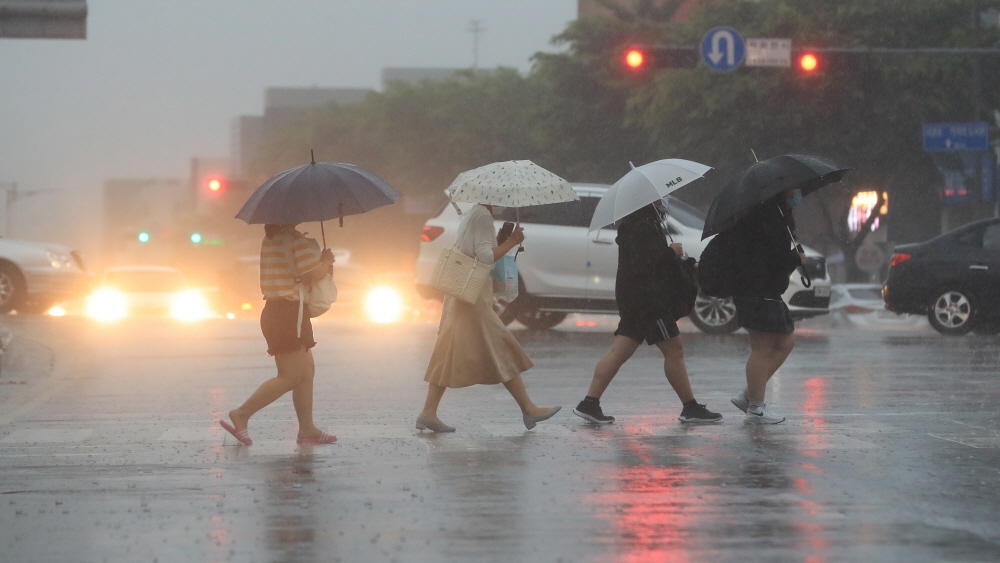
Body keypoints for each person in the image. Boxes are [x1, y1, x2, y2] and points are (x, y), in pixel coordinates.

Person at [573, 199, 722, 425]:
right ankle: (690, 407)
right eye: (661, 199)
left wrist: (685, 262)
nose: (665, 203)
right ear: (649, 201)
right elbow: (648, 265)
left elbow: (653, 263)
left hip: (636, 299)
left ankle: (590, 402)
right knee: (674, 349)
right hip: (649, 302)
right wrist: (672, 253)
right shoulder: (641, 227)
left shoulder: (642, 224)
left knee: (619, 352)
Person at [418, 203, 561, 432]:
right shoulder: (483, 215)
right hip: (472, 297)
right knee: (500, 346)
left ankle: (428, 412)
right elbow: (484, 257)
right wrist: (511, 242)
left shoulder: (473, 213)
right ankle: (529, 410)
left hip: (463, 293)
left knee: (449, 350)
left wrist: (499, 240)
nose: (504, 204)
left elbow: (477, 250)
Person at [219, 223, 338, 445]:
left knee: (306, 372)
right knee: (290, 376)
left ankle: (307, 428)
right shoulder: (295, 240)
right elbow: (313, 273)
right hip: (288, 313)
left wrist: (319, 262)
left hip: (281, 311)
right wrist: (326, 262)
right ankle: (242, 413)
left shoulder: (271, 239)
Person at [727, 189, 807, 424]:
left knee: (785, 341)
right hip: (757, 291)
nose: (798, 194)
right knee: (761, 347)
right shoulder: (767, 219)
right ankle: (756, 408)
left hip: (763, 290)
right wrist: (795, 259)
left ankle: (750, 395)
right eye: (794, 191)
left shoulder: (776, 217)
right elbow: (769, 259)